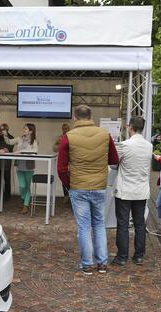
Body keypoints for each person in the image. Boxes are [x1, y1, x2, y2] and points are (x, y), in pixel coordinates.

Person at [57, 105, 119, 275]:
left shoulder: (68, 137)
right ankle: (102, 263)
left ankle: (87, 264)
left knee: (84, 226)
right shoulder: (105, 134)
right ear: (91, 116)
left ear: (75, 118)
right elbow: (114, 159)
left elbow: (61, 168)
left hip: (78, 186)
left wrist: (69, 184)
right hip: (99, 186)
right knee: (99, 224)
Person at [112, 116, 153, 267]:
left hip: (125, 190)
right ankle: (139, 255)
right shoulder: (149, 146)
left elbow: (115, 163)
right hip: (141, 190)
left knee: (122, 224)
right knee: (140, 224)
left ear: (130, 127)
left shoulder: (124, 145)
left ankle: (122, 257)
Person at [3, 123, 38, 214]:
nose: (24, 130)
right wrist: (5, 135)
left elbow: (34, 151)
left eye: (26, 129)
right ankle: (24, 199)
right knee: (22, 186)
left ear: (31, 131)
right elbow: (9, 142)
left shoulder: (34, 141)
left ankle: (26, 205)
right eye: (24, 129)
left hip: (29, 167)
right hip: (19, 166)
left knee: (27, 186)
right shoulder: (19, 139)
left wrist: (21, 151)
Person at [0, 123, 15, 202]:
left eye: (3, 130)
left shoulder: (11, 137)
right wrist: (3, 148)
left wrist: (4, 148)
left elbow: (10, 148)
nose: (1, 131)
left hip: (7, 162)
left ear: (7, 130)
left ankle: (7, 195)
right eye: (0, 130)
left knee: (7, 179)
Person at [53, 123, 71, 204]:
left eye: (66, 128)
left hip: (72, 162)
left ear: (69, 129)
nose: (65, 130)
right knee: (64, 180)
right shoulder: (60, 138)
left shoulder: (72, 137)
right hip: (63, 161)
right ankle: (66, 196)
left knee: (73, 180)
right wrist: (58, 143)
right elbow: (54, 149)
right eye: (63, 128)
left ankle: (73, 196)